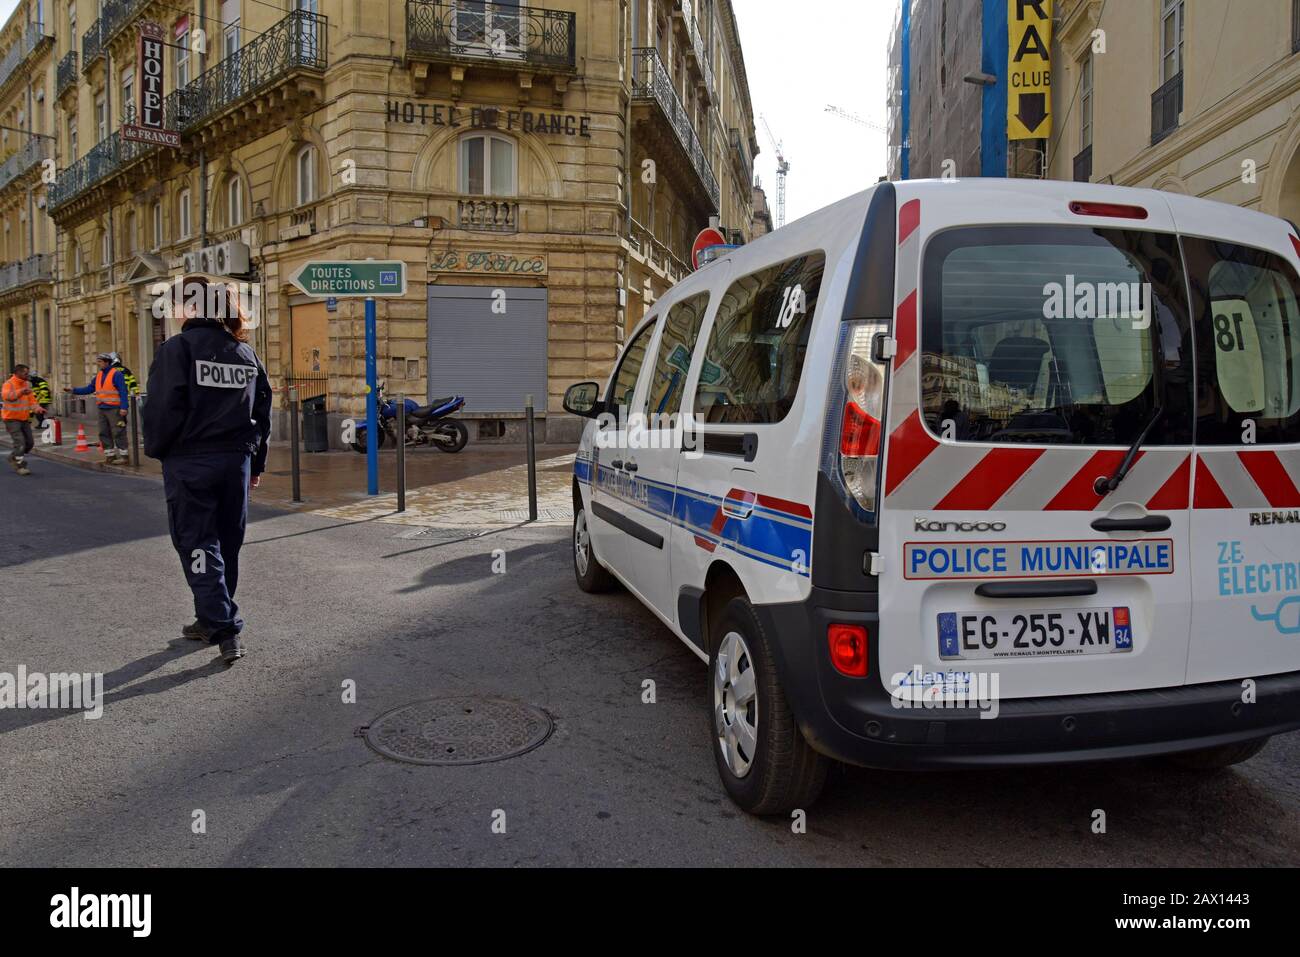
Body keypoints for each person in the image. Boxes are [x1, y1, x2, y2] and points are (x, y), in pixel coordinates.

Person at [144, 276, 271, 665]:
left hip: (191, 462)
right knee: (225, 544)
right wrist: (255, 464)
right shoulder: (245, 354)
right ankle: (208, 618)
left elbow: (163, 410)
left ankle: (226, 626)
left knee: (198, 542)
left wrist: (162, 450)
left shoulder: (177, 349)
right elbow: (261, 416)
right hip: (235, 463)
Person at [66, 353, 129, 463]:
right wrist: (74, 390)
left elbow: (123, 391)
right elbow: (90, 388)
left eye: (100, 361)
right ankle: (110, 455)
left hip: (114, 408)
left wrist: (124, 407)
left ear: (106, 362)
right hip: (102, 408)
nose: (98, 364)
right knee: (103, 432)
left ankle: (124, 456)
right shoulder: (99, 375)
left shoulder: (116, 374)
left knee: (118, 432)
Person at [2, 364, 46, 476]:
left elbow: (32, 401)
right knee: (20, 443)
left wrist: (38, 408)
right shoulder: (9, 384)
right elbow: (8, 396)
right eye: (25, 373)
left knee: (29, 443)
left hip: (24, 419)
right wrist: (21, 392)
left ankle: (13, 457)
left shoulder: (26, 385)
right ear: (18, 373)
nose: (28, 375)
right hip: (11, 419)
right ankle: (19, 466)